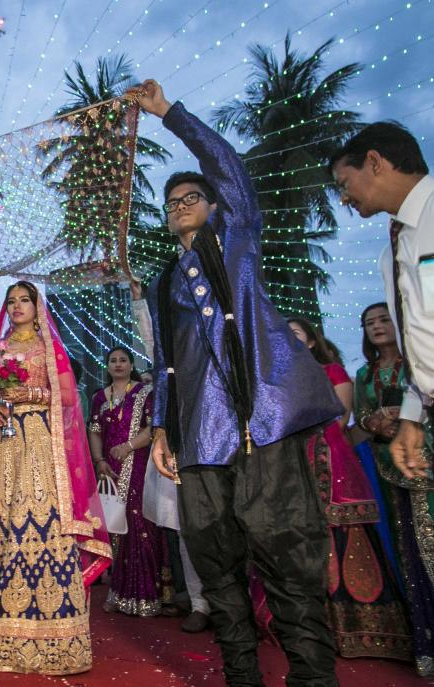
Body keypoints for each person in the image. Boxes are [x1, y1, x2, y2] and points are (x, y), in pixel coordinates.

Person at [133, 79, 345, 685]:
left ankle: (312, 676)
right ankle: (241, 676)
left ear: (215, 205)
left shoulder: (238, 242)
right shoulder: (163, 280)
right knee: (215, 565)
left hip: (262, 426)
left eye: (191, 196)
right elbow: (167, 364)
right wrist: (164, 429)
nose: (179, 204)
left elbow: (227, 168)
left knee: (287, 556)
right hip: (199, 440)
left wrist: (170, 113)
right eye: (171, 201)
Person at [0, 281, 112, 675]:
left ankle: (46, 631)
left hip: (36, 439)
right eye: (12, 301)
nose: (18, 307)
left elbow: (68, 397)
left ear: (38, 308)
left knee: (35, 521)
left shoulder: (48, 348)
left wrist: (27, 395)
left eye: (25, 301)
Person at [277, 319, 411, 661]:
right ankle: (316, 630)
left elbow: (339, 418)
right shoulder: (276, 379)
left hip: (331, 459)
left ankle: (365, 628)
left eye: (295, 334)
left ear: (310, 342)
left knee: (345, 535)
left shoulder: (331, 370)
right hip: (292, 464)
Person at [329, 122, 433, 484]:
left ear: (374, 162)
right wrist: (413, 415)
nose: (344, 197)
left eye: (344, 184)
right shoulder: (390, 253)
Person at [354, 302, 434, 675]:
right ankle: (426, 646)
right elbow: (360, 417)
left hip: (425, 464)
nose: (377, 327)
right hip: (388, 472)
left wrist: (405, 419)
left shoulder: (421, 364)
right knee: (407, 553)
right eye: (370, 323)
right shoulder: (364, 373)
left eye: (384, 319)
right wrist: (375, 422)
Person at [130, 279, 212, 632]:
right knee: (182, 529)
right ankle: (199, 604)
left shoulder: (219, 351)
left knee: (218, 527)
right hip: (178, 449)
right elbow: (151, 339)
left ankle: (230, 603)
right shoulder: (170, 366)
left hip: (216, 448)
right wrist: (137, 299)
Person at [89, 346, 163, 618]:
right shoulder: (99, 397)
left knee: (140, 526)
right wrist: (99, 461)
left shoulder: (144, 393)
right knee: (115, 529)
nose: (118, 364)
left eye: (123, 360)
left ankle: (145, 595)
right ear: (107, 366)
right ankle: (117, 593)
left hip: (138, 464)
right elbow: (95, 431)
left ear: (131, 365)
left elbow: (153, 427)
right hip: (110, 468)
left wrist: (129, 446)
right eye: (113, 360)